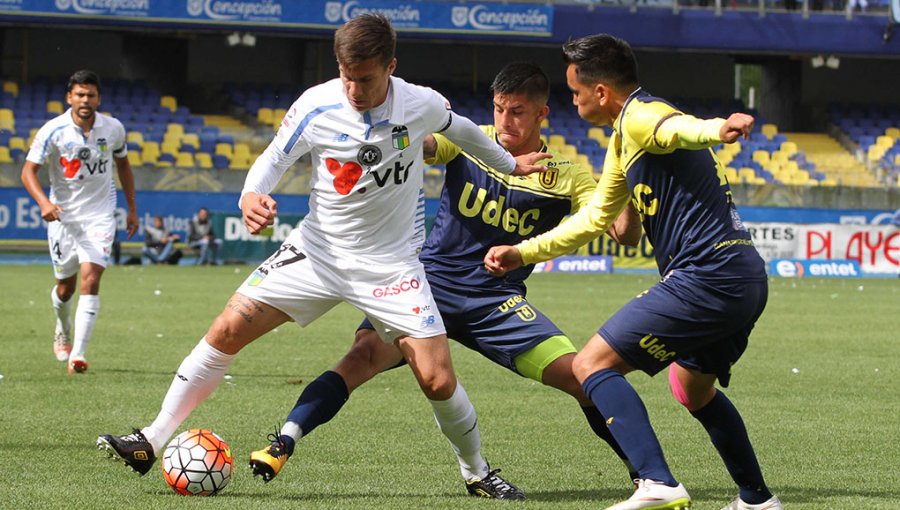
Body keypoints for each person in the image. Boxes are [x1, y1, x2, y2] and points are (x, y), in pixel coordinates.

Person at [97, 14, 548, 499]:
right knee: (226, 328)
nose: (353, 88)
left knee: (437, 381)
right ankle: (152, 438)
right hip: (316, 253)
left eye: (366, 78)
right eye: (346, 75)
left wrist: (509, 163)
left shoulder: (420, 104)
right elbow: (274, 157)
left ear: (390, 67)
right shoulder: (316, 105)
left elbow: (464, 132)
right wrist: (250, 195)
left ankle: (477, 473)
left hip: (391, 266)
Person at [247, 62, 644, 492]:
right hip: (427, 287)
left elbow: (623, 234)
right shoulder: (472, 141)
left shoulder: (567, 175)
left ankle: (643, 471)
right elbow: (422, 144)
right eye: (498, 109)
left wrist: (623, 174)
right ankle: (285, 440)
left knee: (583, 377)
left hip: (496, 304)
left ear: (541, 115)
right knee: (360, 356)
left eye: (517, 112)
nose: (504, 121)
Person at [484, 35, 783, 510]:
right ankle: (757, 500)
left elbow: (676, 128)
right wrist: (524, 252)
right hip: (744, 276)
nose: (572, 98)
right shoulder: (623, 141)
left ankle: (658, 483)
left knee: (590, 365)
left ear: (601, 92)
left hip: (707, 275)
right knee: (690, 388)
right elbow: (598, 220)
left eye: (575, 90)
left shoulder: (642, 116)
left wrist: (718, 127)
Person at [20, 69, 139, 374]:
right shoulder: (52, 130)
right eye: (80, 95)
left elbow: (123, 166)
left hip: (100, 214)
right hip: (63, 218)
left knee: (92, 277)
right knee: (65, 287)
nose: (85, 100)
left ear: (99, 98)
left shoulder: (113, 129)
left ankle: (79, 355)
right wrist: (44, 203)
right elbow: (27, 172)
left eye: (91, 95)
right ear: (69, 97)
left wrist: (131, 208)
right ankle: (62, 328)